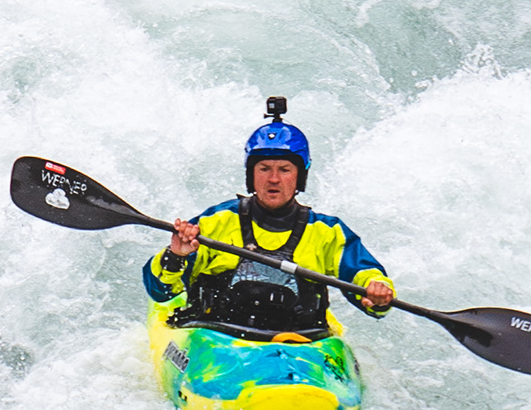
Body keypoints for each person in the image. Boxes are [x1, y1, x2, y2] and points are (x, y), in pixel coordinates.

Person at [143, 99, 395, 339]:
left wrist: (377, 289)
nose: (273, 179)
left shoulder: (327, 232)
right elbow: (160, 291)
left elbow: (364, 276)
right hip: (217, 338)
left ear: (299, 177)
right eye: (264, 169)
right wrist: (176, 256)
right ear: (251, 175)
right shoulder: (216, 222)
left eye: (284, 170)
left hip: (299, 343)